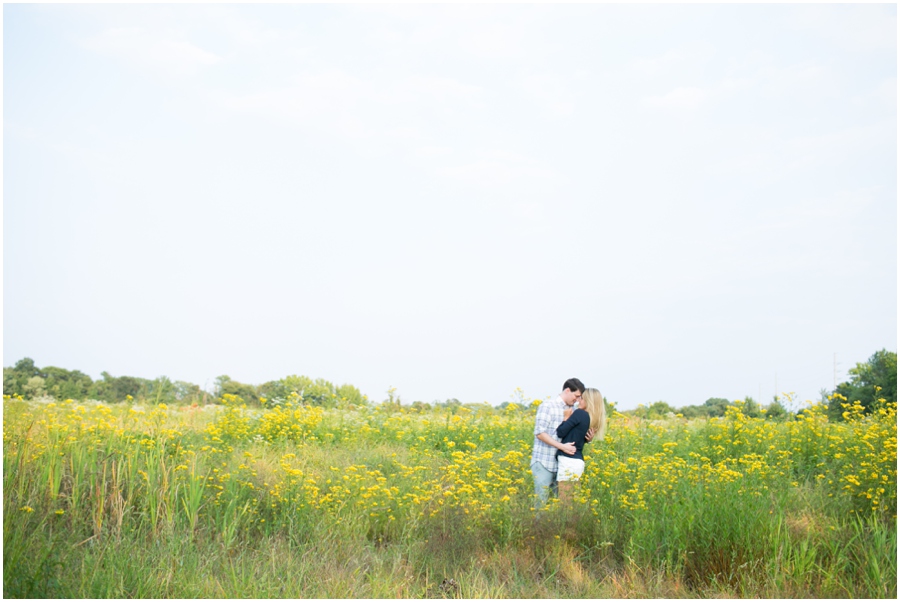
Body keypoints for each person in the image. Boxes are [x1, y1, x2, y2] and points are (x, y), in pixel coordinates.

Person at [530, 378, 593, 510]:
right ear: (567, 390)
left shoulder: (575, 411)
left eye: (580, 397)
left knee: (561, 507)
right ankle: (537, 529)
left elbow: (573, 435)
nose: (577, 399)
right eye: (576, 396)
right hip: (544, 462)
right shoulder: (548, 406)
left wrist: (587, 439)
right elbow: (540, 433)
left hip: (562, 464)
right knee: (541, 504)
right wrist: (562, 447)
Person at [555, 387, 607, 503]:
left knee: (565, 502)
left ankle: (568, 521)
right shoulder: (592, 418)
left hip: (568, 460)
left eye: (582, 398)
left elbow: (560, 432)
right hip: (577, 461)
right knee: (573, 500)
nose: (579, 401)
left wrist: (566, 418)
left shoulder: (579, 414)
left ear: (589, 401)